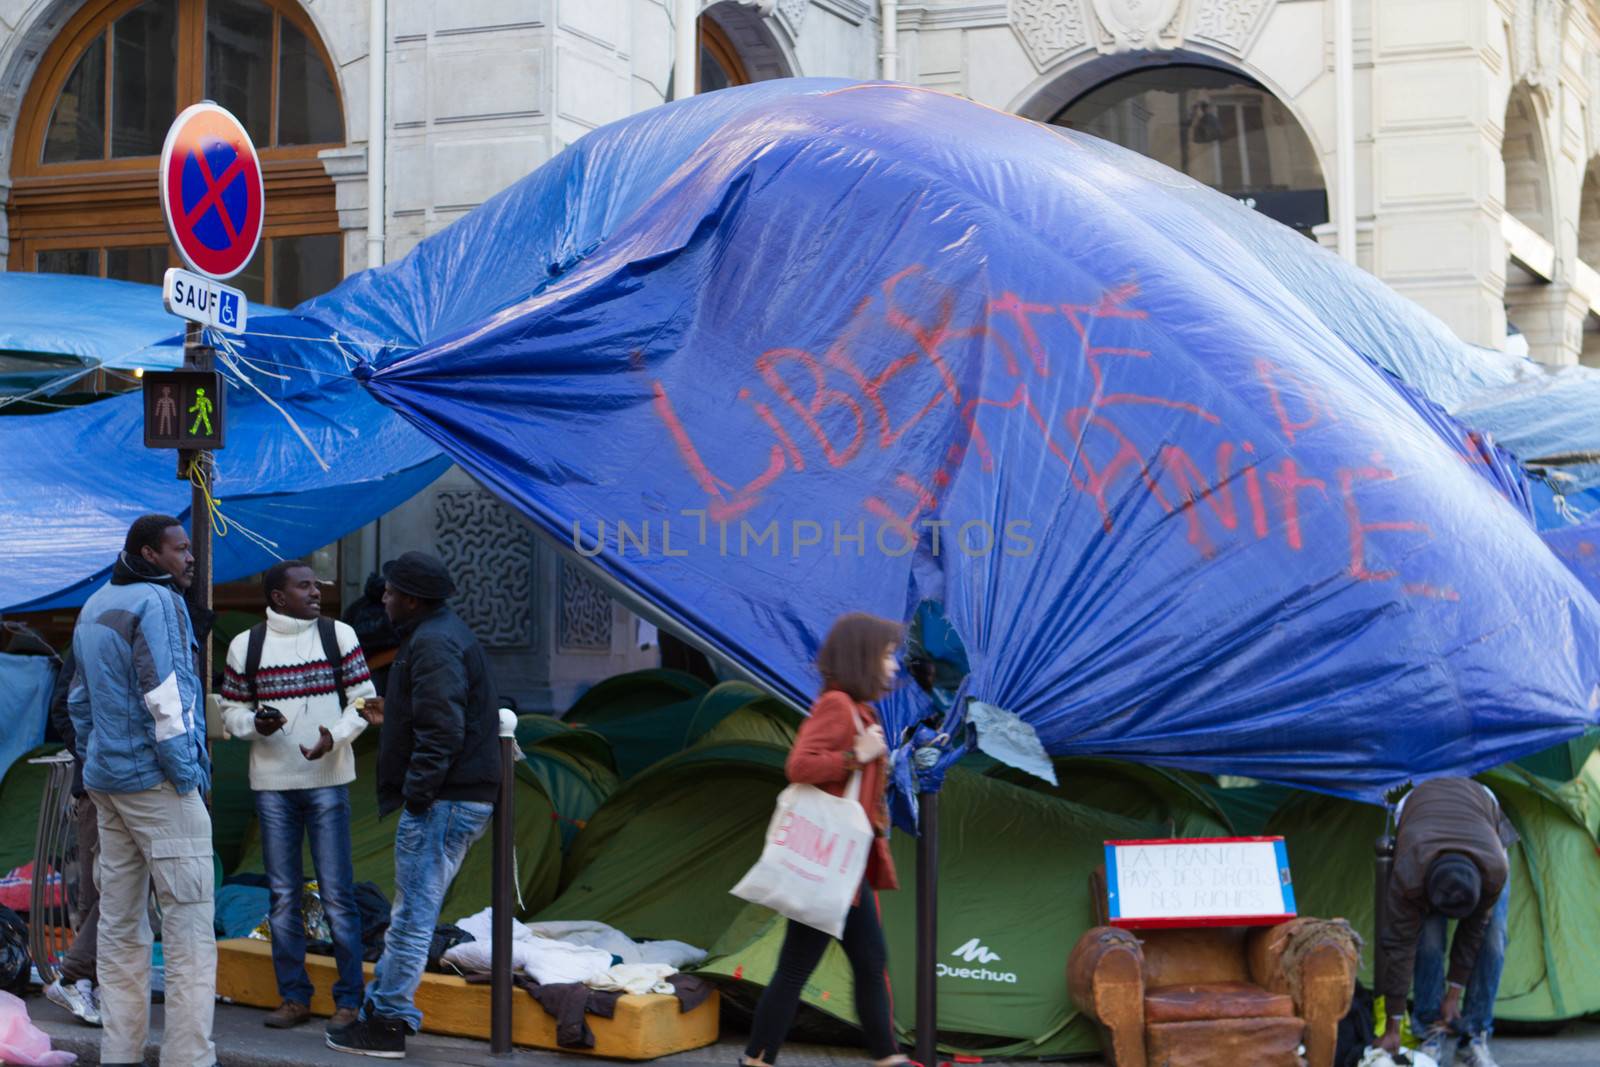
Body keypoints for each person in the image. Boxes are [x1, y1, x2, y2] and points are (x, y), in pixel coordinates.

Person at [327, 551, 501, 1059]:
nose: (382, 598)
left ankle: (387, 1025)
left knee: (410, 920)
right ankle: (381, 1015)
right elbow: (443, 715)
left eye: (390, 591)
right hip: (452, 795)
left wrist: (419, 795)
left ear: (412, 599)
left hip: (444, 799)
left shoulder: (434, 643)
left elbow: (442, 730)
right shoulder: (437, 636)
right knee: (411, 914)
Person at [67, 514, 216, 1067]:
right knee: (189, 932)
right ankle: (189, 1060)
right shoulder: (160, 604)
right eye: (180, 549)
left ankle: (120, 1056)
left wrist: (96, 760)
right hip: (157, 785)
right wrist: (186, 776)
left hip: (107, 785)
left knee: (119, 930)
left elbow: (79, 703)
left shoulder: (95, 603)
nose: (190, 557)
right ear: (150, 555)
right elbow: (167, 697)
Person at [742, 612, 908, 1067]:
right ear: (864, 658)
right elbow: (800, 766)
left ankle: (887, 1057)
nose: (895, 666)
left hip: (848, 866)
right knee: (801, 966)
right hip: (830, 863)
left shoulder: (862, 712)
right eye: (889, 655)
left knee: (869, 963)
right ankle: (757, 1058)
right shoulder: (837, 706)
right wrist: (858, 756)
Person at [219, 560, 376, 1032]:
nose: (317, 591)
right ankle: (294, 998)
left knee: (337, 895)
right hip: (272, 788)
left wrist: (336, 736)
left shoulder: (338, 635)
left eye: (316, 583)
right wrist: (254, 723)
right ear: (278, 597)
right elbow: (230, 712)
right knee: (283, 897)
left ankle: (349, 1001)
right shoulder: (246, 645)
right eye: (304, 585)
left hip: (328, 782)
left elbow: (365, 702)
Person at [1377, 777, 1516, 1067]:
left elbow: (1472, 933)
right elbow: (1400, 946)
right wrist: (1393, 1025)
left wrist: (1454, 995)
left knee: (1492, 942)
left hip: (1481, 812)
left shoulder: (1494, 870)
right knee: (1428, 940)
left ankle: (1474, 1035)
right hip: (1421, 817)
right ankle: (1429, 1031)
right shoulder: (1409, 873)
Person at [43, 645, 103, 1027]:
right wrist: (91, 756)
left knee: (110, 888)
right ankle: (76, 976)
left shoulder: (168, 617)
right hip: (102, 782)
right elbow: (65, 707)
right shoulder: (98, 627)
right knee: (102, 888)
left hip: (116, 779)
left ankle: (86, 979)